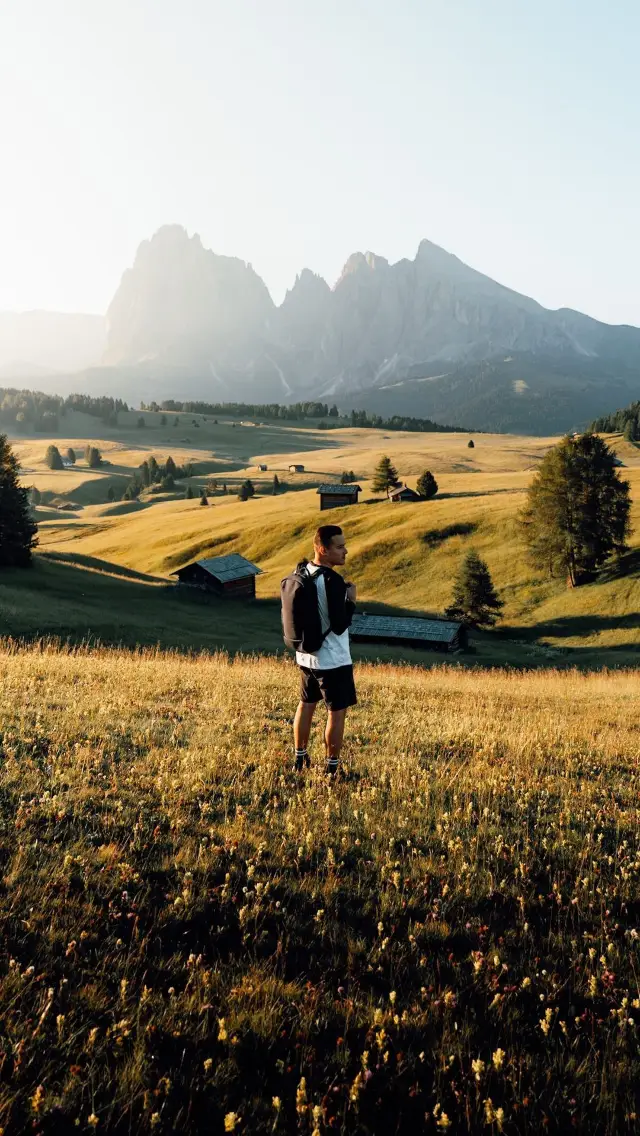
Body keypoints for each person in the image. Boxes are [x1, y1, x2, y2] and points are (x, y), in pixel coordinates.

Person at [293, 524, 357, 776]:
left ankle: (300, 758)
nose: (346, 551)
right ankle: (331, 767)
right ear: (323, 549)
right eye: (339, 547)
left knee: (306, 704)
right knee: (336, 712)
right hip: (333, 660)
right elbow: (340, 625)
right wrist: (351, 599)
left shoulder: (302, 570)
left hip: (307, 655)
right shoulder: (332, 580)